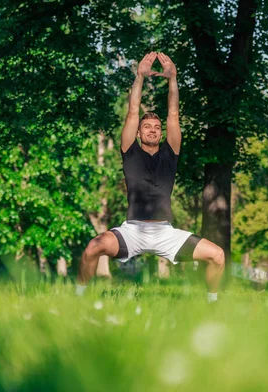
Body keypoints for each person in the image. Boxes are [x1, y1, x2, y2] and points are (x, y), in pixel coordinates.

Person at [76, 52, 225, 303]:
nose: (153, 130)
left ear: (161, 132)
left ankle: (213, 304)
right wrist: (139, 77)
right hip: (133, 230)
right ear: (139, 132)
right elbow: (133, 112)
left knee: (218, 255)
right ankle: (77, 298)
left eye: (157, 127)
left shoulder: (171, 152)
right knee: (93, 248)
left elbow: (173, 114)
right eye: (147, 127)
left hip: (165, 233)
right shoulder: (130, 152)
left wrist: (173, 79)